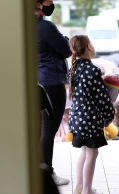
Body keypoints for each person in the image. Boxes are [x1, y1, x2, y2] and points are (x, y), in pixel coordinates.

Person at [68, 35, 115, 194]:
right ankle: (87, 189)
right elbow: (102, 98)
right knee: (92, 153)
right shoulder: (93, 70)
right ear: (88, 47)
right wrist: (109, 116)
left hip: (77, 118)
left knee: (84, 151)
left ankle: (79, 187)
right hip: (90, 119)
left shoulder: (74, 69)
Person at [35, 0, 72, 185]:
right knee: (49, 130)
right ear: (39, 4)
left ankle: (40, 171)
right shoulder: (45, 26)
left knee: (41, 129)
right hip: (52, 81)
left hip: (38, 81)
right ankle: (47, 174)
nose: (52, 3)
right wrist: (64, 39)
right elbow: (66, 50)